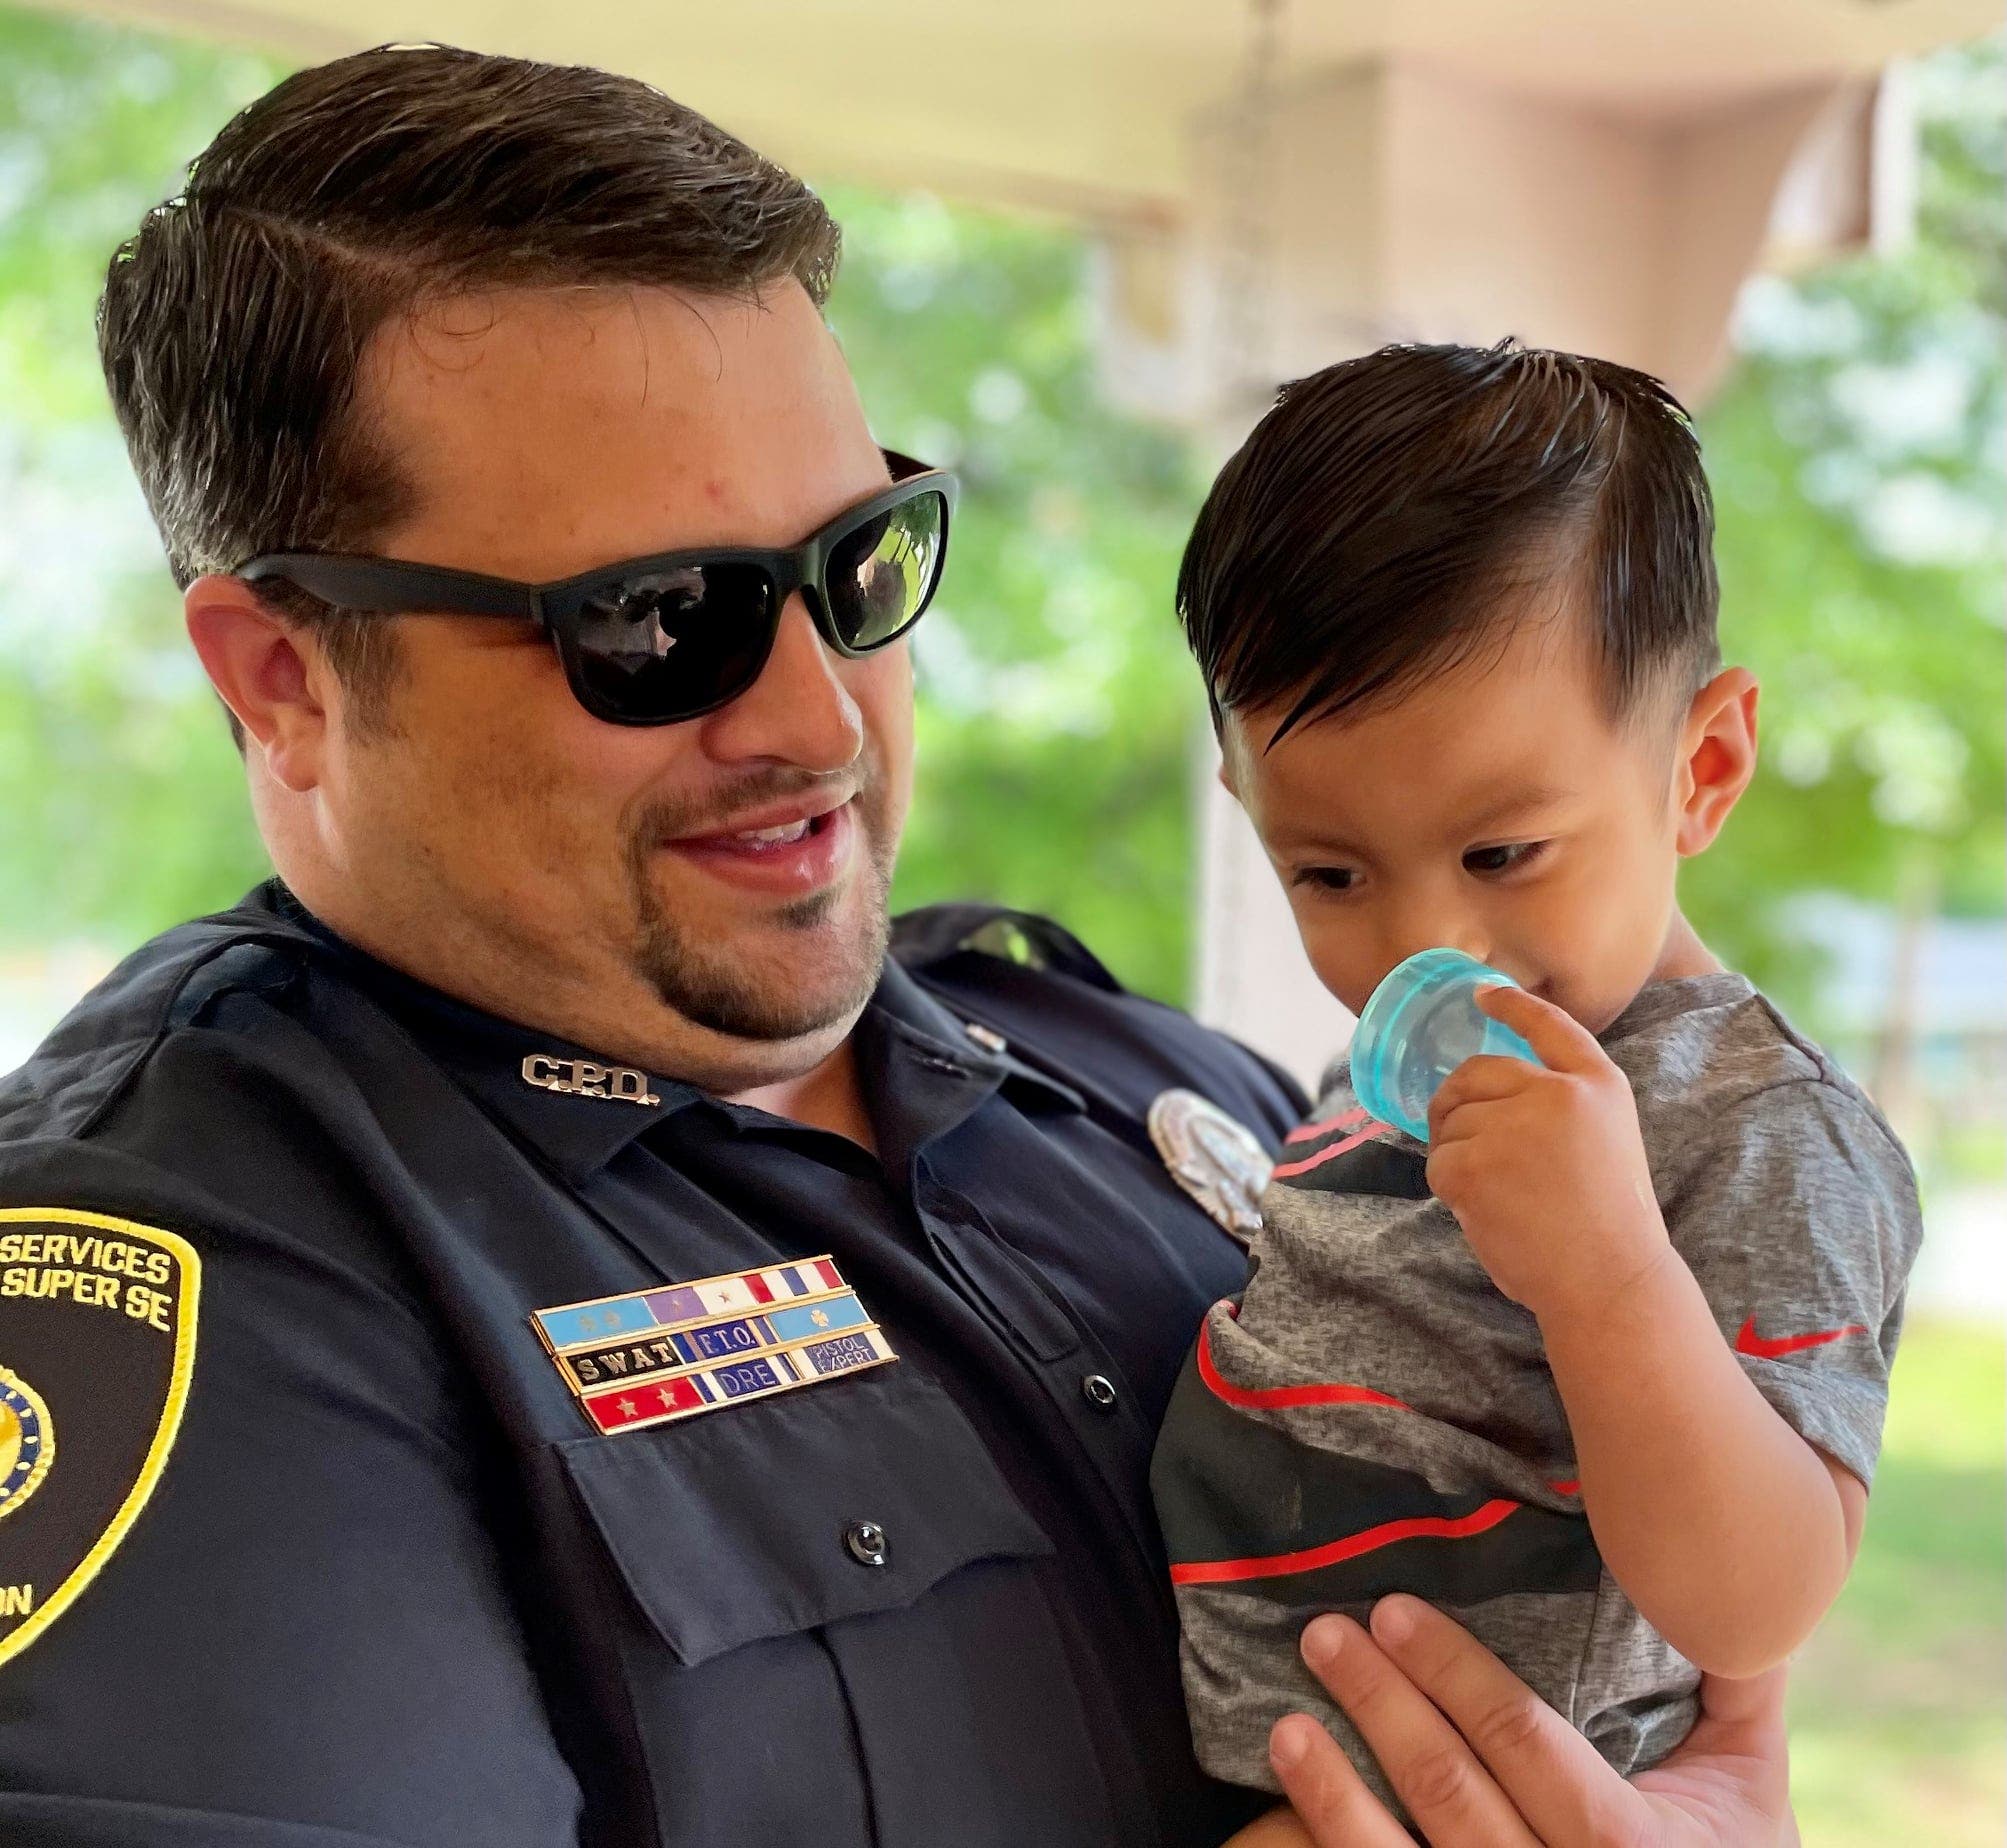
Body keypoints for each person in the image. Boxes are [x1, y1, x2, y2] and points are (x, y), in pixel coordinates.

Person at [0, 44, 1795, 1848]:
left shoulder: (1133, 1075)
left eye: (853, 568)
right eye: (657, 622)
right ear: (287, 682)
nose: (821, 718)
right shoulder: (195, 1282)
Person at [1152, 344, 1920, 1819]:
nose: (1423, 944)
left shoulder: (1762, 1132)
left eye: (1502, 854)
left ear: (1699, 770)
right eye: (1329, 872)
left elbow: (1755, 1607)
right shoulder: (1397, 1077)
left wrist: (1609, 1276)